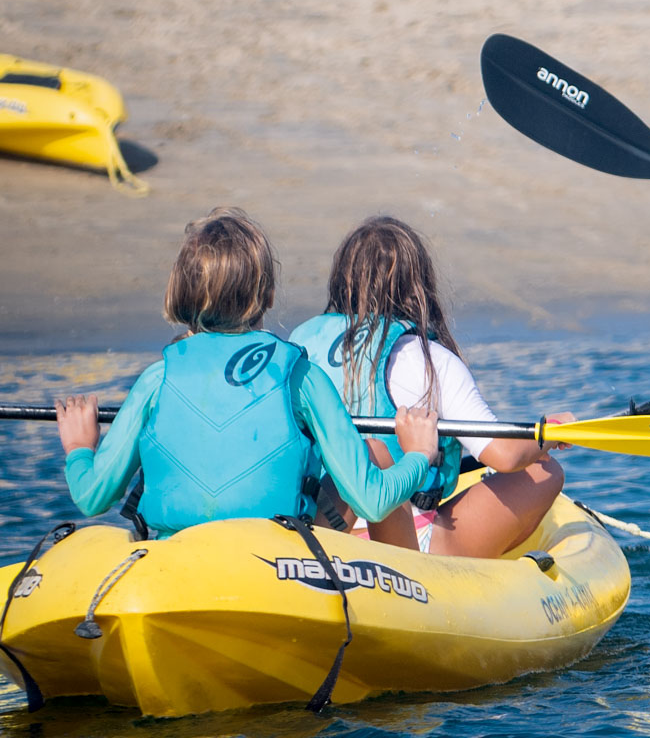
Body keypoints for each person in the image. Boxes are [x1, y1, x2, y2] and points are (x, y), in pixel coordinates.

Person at [55, 209, 438, 537]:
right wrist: (419, 455)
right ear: (268, 296)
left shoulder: (157, 380)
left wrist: (79, 448)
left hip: (174, 560)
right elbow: (370, 501)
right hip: (274, 564)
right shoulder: (301, 377)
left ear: (180, 293)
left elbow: (92, 497)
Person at [289, 216, 570, 558]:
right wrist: (549, 432)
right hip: (405, 538)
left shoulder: (302, 346)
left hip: (321, 522)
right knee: (544, 471)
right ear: (419, 288)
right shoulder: (428, 359)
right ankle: (483, 570)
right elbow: (505, 455)